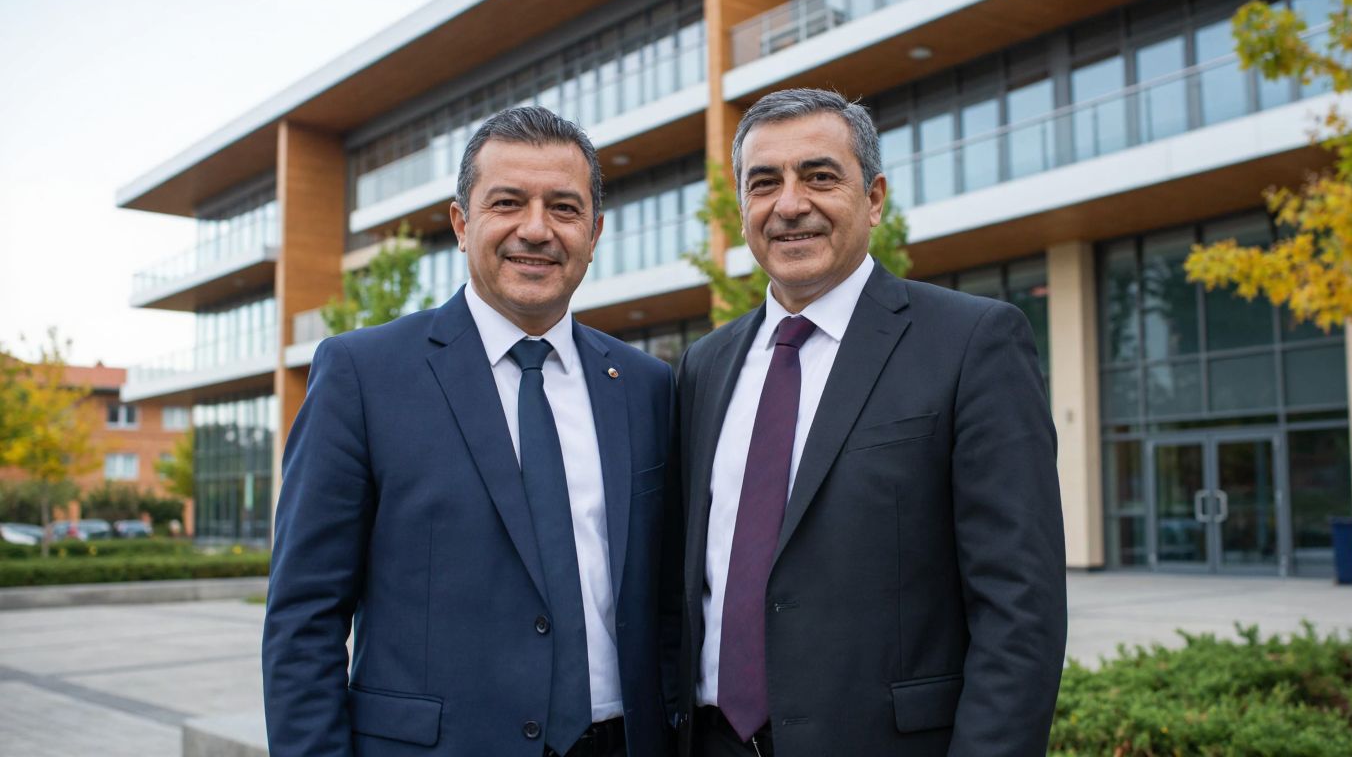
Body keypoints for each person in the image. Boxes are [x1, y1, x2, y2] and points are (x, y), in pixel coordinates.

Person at [263, 106, 678, 757]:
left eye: (564, 208)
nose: (536, 229)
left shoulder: (647, 385)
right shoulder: (362, 374)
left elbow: (670, 601)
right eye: (507, 202)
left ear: (594, 232)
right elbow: (303, 617)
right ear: (461, 224)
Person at [674, 89, 1066, 756]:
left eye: (819, 177)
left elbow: (1020, 608)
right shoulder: (703, 367)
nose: (789, 204)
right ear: (742, 209)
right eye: (763, 183)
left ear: (874, 197)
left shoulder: (972, 343)